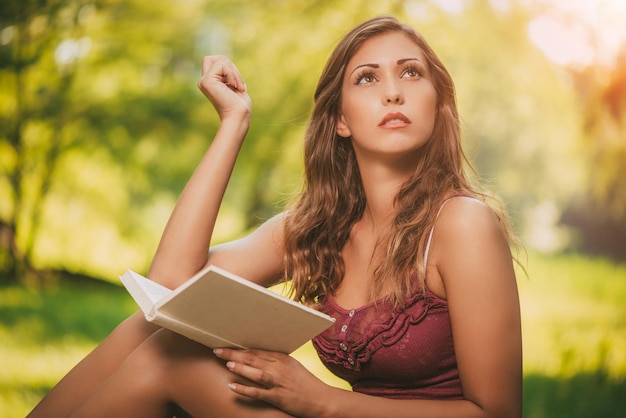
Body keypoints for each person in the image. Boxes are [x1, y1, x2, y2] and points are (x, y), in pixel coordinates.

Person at [28, 15, 522, 418]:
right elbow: (170, 289)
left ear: (439, 104)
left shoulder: (463, 225)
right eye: (367, 78)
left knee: (166, 359)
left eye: (411, 73)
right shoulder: (320, 228)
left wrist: (324, 402)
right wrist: (233, 124)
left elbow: (496, 412)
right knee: (155, 336)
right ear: (341, 121)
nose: (393, 92)